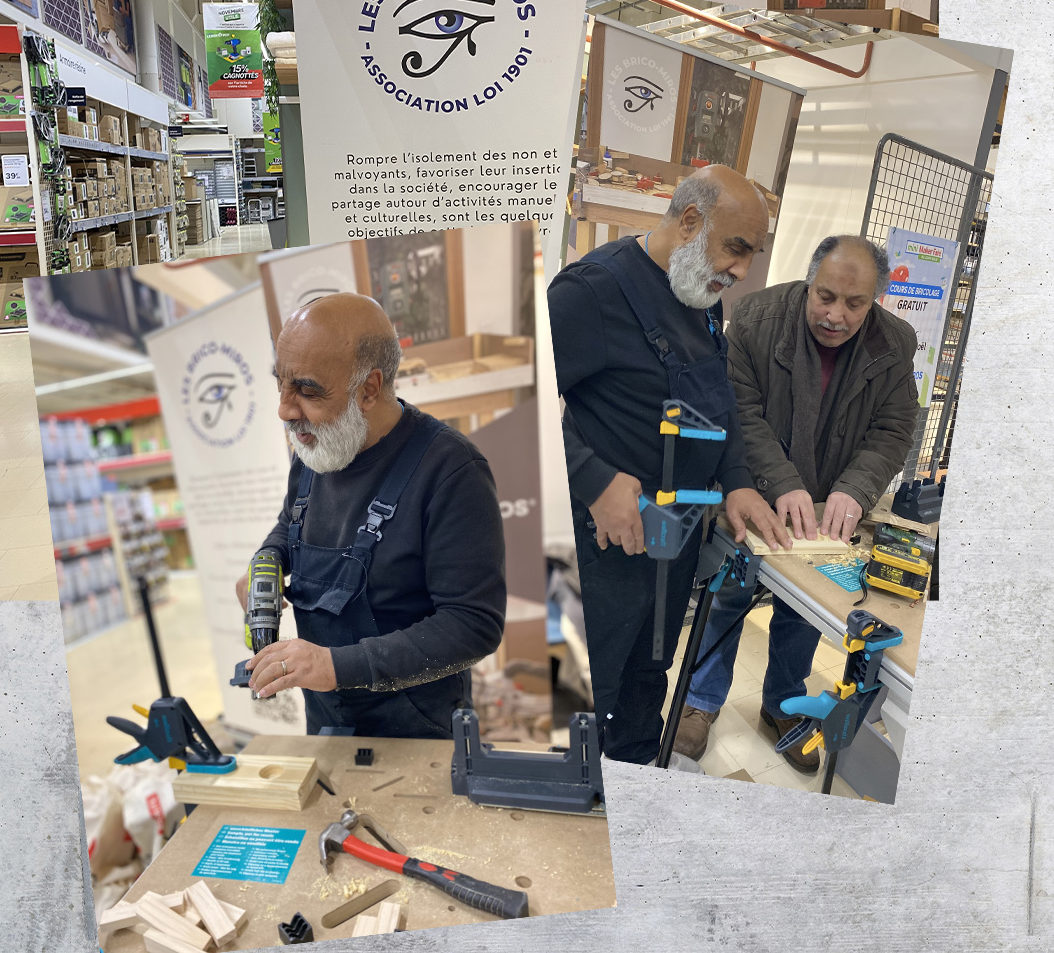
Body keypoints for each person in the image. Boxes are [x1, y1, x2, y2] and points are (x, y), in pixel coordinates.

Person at [549, 165, 790, 768]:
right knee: (576, 695)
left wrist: (735, 479)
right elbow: (510, 408)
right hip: (600, 548)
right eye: (736, 249)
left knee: (645, 678)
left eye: (750, 255)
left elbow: (720, 403)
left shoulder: (700, 297)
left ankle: (629, 795)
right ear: (689, 222)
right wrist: (592, 478)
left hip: (673, 543)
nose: (741, 271)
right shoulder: (590, 291)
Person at [674, 235, 919, 772]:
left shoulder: (896, 342)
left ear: (876, 298)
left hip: (829, 505)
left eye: (855, 304)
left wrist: (854, 490)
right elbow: (739, 411)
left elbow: (894, 427)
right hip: (753, 493)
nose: (836, 315)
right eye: (825, 297)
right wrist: (781, 481)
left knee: (803, 609)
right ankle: (700, 701)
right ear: (809, 283)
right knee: (730, 596)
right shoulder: (759, 317)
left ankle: (781, 703)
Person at [236, 293, 506, 737]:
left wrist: (333, 665)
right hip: (328, 724)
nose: (284, 408)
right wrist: (268, 558)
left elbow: (473, 624)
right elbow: (292, 523)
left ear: (368, 388)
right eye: (280, 384)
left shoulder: (451, 471)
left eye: (306, 389)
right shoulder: (315, 447)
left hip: (419, 736)